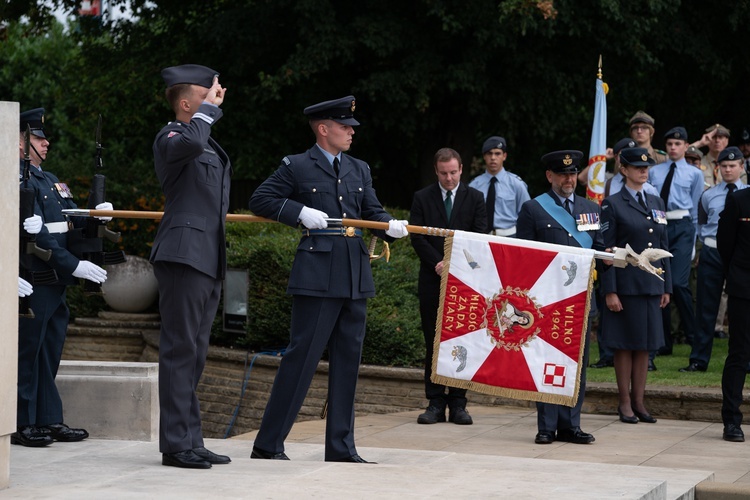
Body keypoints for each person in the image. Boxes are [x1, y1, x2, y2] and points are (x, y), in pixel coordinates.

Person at [249, 95, 409, 463]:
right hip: (318, 273)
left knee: (348, 363)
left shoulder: (359, 168)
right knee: (301, 358)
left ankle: (340, 446)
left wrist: (389, 225)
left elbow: (370, 209)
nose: (351, 132)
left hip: (355, 273)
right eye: (344, 127)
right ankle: (269, 444)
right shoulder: (297, 166)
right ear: (324, 130)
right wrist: (298, 211)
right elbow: (261, 199)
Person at [150, 64, 232, 469]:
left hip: (206, 257)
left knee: (195, 354)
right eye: (205, 95)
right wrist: (206, 113)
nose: (215, 100)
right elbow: (190, 144)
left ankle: (191, 437)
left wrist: (206, 114)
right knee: (180, 351)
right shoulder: (173, 136)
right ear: (186, 104)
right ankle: (175, 444)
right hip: (183, 254)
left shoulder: (205, 142)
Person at [14, 108, 109, 448]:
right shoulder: (17, 180)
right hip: (36, 279)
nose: (46, 142)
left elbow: (65, 227)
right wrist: (75, 266)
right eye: (38, 137)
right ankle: (21, 422)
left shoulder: (51, 180)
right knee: (27, 354)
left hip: (56, 282)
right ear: (21, 143)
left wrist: (95, 216)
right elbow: (38, 238)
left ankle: (48, 418)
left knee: (49, 352)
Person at [517, 149, 603, 445]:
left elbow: (600, 250)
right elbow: (525, 257)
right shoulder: (533, 209)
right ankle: (547, 425)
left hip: (580, 298)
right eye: (562, 174)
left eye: (572, 173)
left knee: (577, 362)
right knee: (548, 361)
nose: (568, 179)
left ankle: (570, 425)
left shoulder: (590, 208)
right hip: (547, 300)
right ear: (549, 176)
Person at [410, 147, 487, 425]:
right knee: (434, 340)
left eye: (453, 172)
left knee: (462, 338)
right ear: (436, 171)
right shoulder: (422, 197)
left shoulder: (475, 198)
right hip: (433, 279)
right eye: (444, 173)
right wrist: (438, 263)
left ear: (461, 169)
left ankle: (458, 402)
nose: (449, 178)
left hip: (464, 280)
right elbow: (416, 236)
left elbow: (479, 236)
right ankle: (434, 401)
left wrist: (453, 263)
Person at [600, 147, 672, 424]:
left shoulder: (655, 200)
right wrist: (610, 290)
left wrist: (666, 286)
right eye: (637, 167)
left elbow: (663, 246)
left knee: (645, 345)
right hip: (626, 284)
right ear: (624, 170)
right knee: (624, 345)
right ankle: (625, 402)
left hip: (651, 283)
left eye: (646, 167)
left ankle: (640, 402)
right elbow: (608, 251)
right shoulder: (613, 203)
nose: (643, 171)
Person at [681, 147, 747, 373]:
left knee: (743, 308)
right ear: (717, 168)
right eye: (724, 166)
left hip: (740, 256)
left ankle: (744, 359)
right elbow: (701, 226)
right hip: (712, 253)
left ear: (741, 167)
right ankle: (699, 359)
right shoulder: (708, 195)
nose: (728, 169)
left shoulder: (747, 193)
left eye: (732, 166)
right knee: (706, 308)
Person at [648, 127, 703, 355]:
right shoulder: (655, 171)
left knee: (679, 283)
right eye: (669, 144)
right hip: (660, 224)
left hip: (683, 224)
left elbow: (697, 206)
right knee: (659, 282)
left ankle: (693, 334)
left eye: (678, 144)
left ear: (686, 146)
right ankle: (664, 342)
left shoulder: (694, 173)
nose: (673, 148)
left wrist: (695, 240)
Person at [717, 173, 750, 442]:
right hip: (745, 287)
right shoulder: (738, 200)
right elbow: (725, 243)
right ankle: (731, 420)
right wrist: (737, 274)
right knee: (739, 353)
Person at [469, 136, 529, 237]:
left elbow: (526, 216)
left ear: (504, 156)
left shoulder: (516, 185)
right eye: (489, 153)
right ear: (484, 156)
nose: (493, 158)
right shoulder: (474, 185)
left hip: (510, 238)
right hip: (481, 238)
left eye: (497, 153)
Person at [691, 124, 731, 188]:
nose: (717, 140)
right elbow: (678, 156)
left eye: (720, 137)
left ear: (727, 141)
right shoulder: (697, 162)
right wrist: (700, 143)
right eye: (714, 137)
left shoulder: (734, 165)